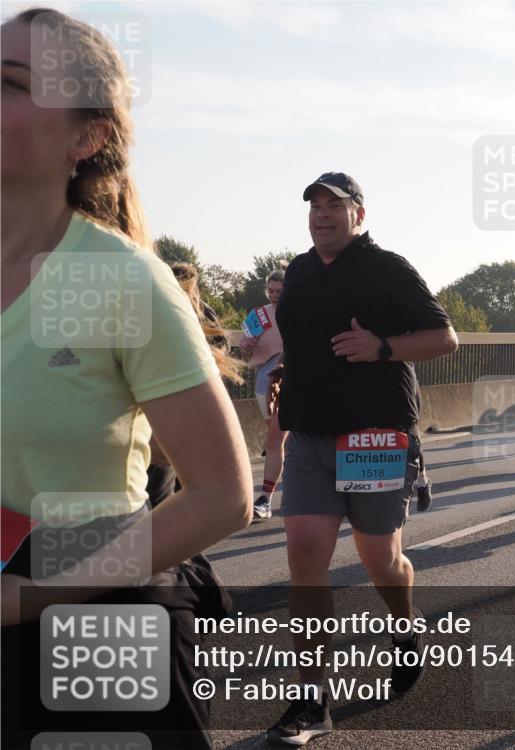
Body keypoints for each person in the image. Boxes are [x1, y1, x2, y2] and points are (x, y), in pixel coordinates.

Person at [1, 10, 252, 749]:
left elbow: (224, 496)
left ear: (87, 138)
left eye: (11, 84)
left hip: (97, 621)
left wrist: (32, 599)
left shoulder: (122, 282)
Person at [267, 171, 458, 745]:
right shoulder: (298, 271)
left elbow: (445, 338)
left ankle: (402, 629)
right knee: (305, 558)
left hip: (372, 437)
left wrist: (382, 348)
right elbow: (304, 340)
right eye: (315, 206)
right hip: (309, 437)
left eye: (335, 205)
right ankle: (311, 700)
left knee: (380, 561)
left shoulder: (387, 268)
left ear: (359, 214)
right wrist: (286, 374)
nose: (322, 214)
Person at [240, 268, 288, 521]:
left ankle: (265, 498)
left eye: (280, 291)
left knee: (277, 439)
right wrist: (246, 344)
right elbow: (245, 341)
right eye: (271, 291)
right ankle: (268, 499)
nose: (274, 296)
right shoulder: (260, 315)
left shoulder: (303, 311)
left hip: (298, 381)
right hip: (266, 382)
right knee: (278, 439)